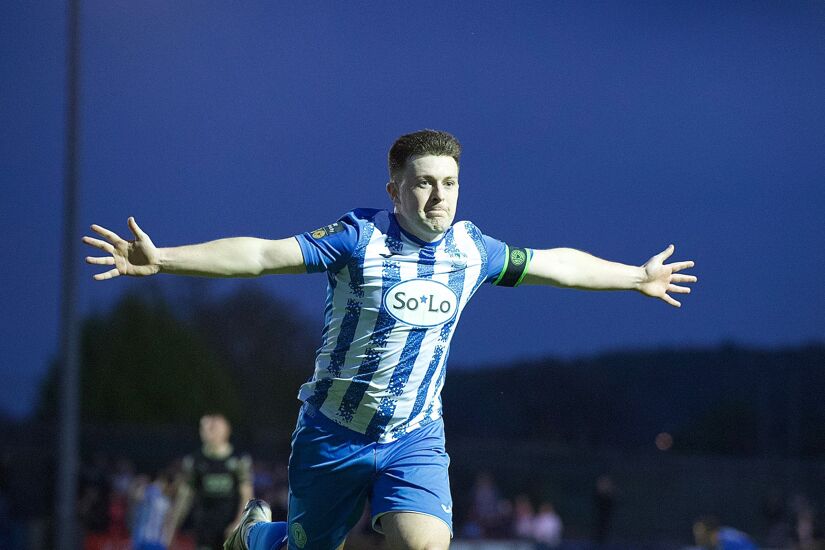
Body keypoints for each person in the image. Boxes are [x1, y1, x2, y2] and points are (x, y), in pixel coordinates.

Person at [83, 129, 697, 550]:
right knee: (307, 546)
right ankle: (257, 536)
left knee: (426, 544)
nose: (439, 196)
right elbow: (263, 255)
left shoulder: (472, 251)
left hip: (413, 436)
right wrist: (164, 258)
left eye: (450, 183)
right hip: (331, 434)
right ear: (394, 190)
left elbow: (555, 264)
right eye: (424, 182)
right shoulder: (358, 240)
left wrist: (634, 277)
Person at [167, 414, 253, 550]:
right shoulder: (194, 461)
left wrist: (239, 523)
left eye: (214, 427)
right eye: (205, 428)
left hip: (229, 530)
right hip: (204, 530)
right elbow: (184, 497)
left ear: (226, 431)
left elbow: (246, 495)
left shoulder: (239, 460)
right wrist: (171, 527)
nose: (209, 431)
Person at [692, 516, 757, 550]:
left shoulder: (730, 541)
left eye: (700, 534)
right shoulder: (707, 545)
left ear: (712, 532)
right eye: (696, 533)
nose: (697, 537)